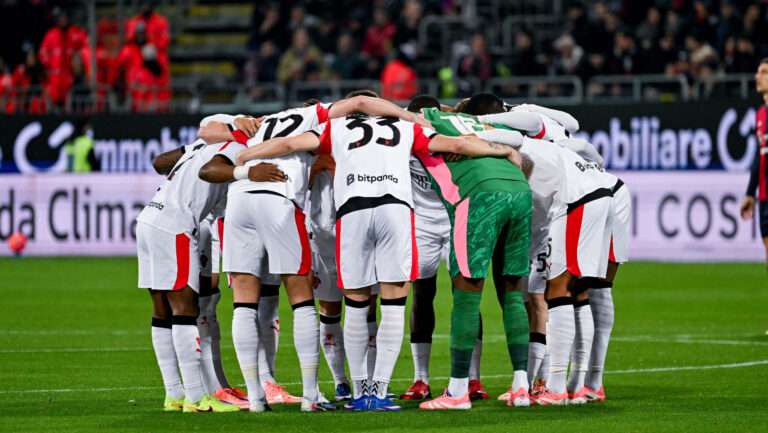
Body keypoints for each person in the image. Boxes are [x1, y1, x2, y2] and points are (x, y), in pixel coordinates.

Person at [235, 109, 518, 413]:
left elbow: (290, 144)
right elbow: (459, 145)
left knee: (356, 303)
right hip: (394, 209)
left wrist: (247, 155)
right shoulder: (406, 127)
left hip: (353, 210)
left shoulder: (335, 126)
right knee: (393, 303)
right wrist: (506, 151)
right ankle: (380, 391)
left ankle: (359, 393)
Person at [197, 95, 431, 412]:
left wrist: (238, 128)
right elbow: (361, 101)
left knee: (244, 302)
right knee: (305, 298)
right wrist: (408, 116)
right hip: (287, 203)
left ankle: (256, 397)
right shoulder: (321, 121)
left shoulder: (265, 122)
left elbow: (206, 131)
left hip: (241, 200)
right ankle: (312, 396)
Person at [469, 94, 616, 406]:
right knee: (577, 291)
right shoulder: (532, 142)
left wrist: (476, 128)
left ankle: (557, 386)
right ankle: (575, 386)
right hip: (598, 193)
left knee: (558, 290)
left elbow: (510, 135)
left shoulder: (509, 137)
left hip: (577, 198)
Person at [408, 95, 530, 410]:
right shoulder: (470, 121)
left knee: (466, 290)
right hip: (519, 189)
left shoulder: (418, 125)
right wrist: (507, 150)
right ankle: (521, 387)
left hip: (479, 195)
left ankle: (458, 391)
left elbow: (458, 146)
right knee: (513, 289)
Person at [137, 125, 266, 412]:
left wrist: (188, 150)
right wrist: (246, 173)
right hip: (176, 225)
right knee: (186, 309)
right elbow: (210, 171)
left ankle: (174, 395)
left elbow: (159, 162)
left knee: (162, 312)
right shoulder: (236, 152)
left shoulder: (200, 147)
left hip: (148, 219)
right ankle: (196, 398)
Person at [740, 58, 768, 272]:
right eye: (758, 71)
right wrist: (751, 193)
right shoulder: (760, 114)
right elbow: (760, 156)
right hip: (764, 195)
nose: (757, 76)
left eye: (764, 72)